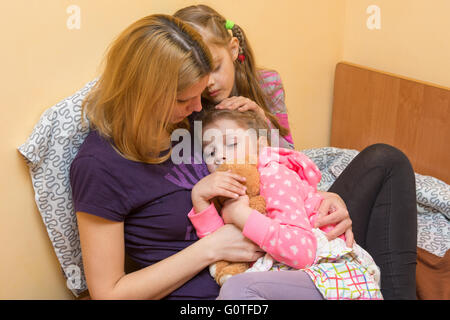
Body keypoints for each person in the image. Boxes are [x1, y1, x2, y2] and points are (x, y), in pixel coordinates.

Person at [175, 4, 417, 299]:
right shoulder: (188, 106)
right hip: (257, 226)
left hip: (292, 208)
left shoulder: (267, 85)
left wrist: (264, 126)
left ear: (233, 48)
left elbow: (291, 162)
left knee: (387, 159)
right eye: (199, 74)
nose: (209, 82)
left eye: (215, 67)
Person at [70, 14, 266, 300]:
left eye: (199, 94)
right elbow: (108, 293)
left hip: (265, 267)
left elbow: (265, 171)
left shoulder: (191, 119)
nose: (199, 106)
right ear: (143, 96)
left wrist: (261, 125)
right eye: (184, 100)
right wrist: (211, 248)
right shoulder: (99, 166)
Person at [187, 108, 383, 300]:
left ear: (260, 145)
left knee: (236, 292)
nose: (220, 156)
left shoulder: (274, 174)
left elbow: (303, 251)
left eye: (231, 143)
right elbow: (219, 244)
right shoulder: (232, 190)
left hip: (328, 273)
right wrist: (200, 200)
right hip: (286, 273)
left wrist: (242, 216)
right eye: (210, 152)